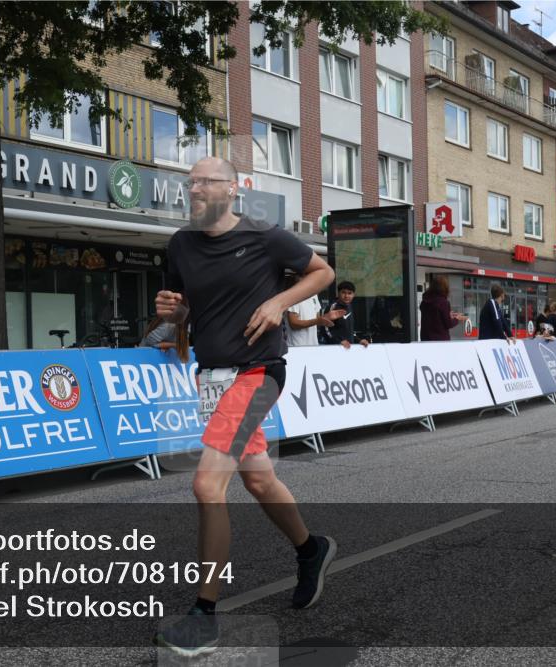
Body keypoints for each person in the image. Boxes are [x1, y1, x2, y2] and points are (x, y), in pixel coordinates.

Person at [153, 157, 338, 657]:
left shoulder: (265, 237)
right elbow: (188, 307)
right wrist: (176, 317)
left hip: (258, 373)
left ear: (232, 190)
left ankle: (203, 617)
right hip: (212, 377)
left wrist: (280, 303)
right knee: (257, 478)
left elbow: (323, 272)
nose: (194, 188)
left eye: (205, 181)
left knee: (207, 483)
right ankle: (310, 549)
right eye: (190, 181)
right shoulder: (180, 245)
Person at [284, 274, 344, 347]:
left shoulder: (314, 295)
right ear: (297, 278)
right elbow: (293, 324)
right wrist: (317, 321)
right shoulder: (293, 294)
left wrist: (327, 317)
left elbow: (317, 320)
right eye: (304, 276)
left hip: (313, 345)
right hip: (296, 347)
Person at [419, 275, 468, 341]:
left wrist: (448, 314)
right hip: (440, 341)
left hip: (425, 338)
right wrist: (457, 319)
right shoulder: (443, 302)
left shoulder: (424, 301)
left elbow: (434, 317)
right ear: (445, 288)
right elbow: (448, 324)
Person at [325, 281, 370, 348]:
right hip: (335, 348)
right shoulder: (332, 307)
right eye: (343, 292)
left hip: (349, 348)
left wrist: (359, 340)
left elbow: (350, 332)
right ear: (338, 293)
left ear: (353, 295)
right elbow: (325, 329)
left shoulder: (350, 307)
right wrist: (338, 341)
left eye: (349, 293)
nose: (346, 296)